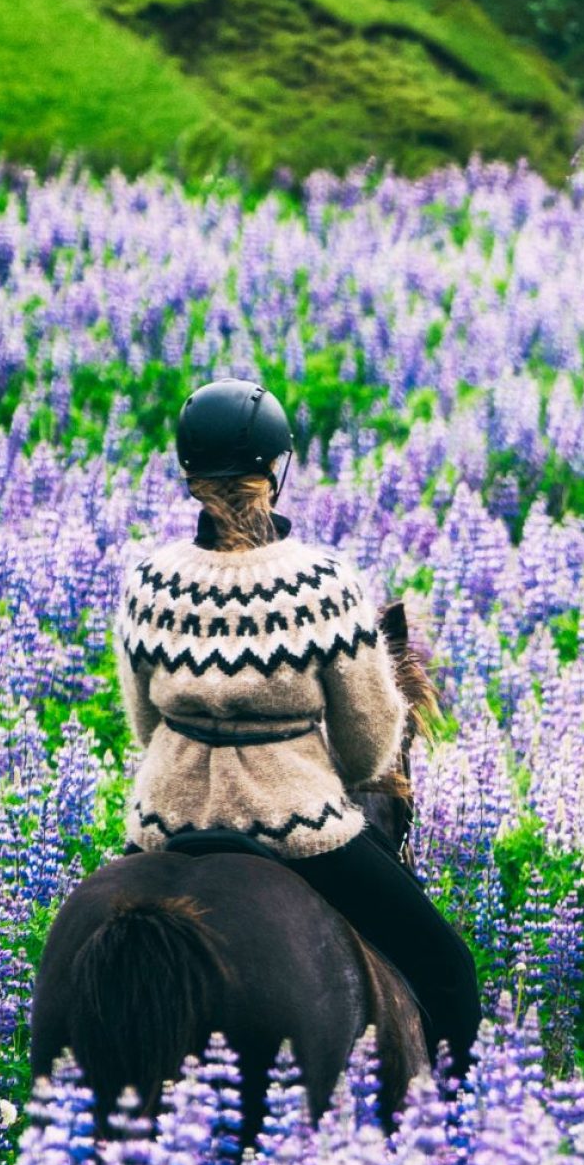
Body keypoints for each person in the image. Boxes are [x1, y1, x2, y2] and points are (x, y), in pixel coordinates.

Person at [114, 377, 481, 1073]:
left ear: (190, 472)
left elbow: (142, 724)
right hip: (300, 827)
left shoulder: (149, 584)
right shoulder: (322, 585)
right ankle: (447, 1153)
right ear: (274, 473)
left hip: (164, 822)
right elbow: (371, 743)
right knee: (447, 973)